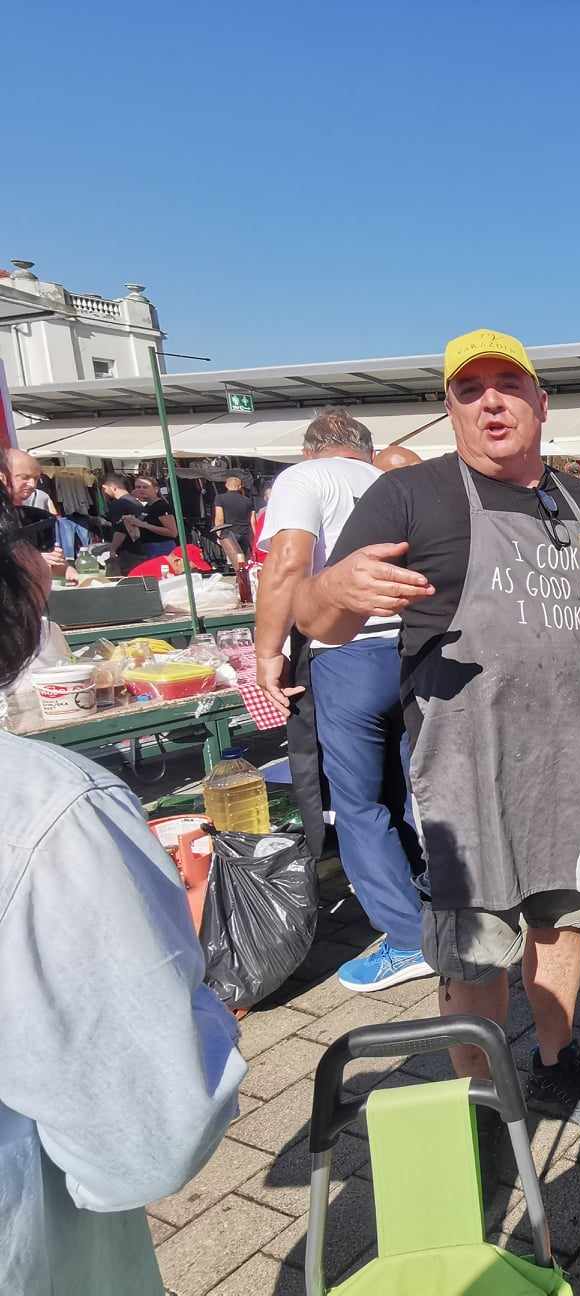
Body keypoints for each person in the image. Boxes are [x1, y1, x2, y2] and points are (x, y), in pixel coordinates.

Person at [299, 329, 580, 1125]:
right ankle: (483, 1098)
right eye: (469, 389)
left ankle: (557, 1062)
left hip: (570, 757)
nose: (491, 402)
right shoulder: (412, 496)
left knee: (560, 921)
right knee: (477, 945)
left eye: (508, 385)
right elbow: (321, 623)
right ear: (449, 409)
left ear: (540, 403)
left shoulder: (577, 499)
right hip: (468, 763)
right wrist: (336, 587)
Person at [0, 496, 246, 1296]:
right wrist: (197, 1002)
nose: (47, 555)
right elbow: (147, 1137)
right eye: (28, 535)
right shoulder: (52, 811)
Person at [256, 407, 431, 995]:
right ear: (365, 446)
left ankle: (408, 937)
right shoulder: (392, 482)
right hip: (407, 650)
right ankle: (430, 899)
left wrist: (267, 652)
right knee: (407, 785)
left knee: (358, 804)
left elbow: (287, 564)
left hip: (345, 650)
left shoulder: (304, 480)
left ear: (313, 449)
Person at [211, 474, 254, 558]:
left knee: (233, 560)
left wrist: (219, 533)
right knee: (244, 559)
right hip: (245, 533)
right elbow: (252, 520)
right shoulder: (248, 500)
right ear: (240, 486)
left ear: (226, 485)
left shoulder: (220, 498)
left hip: (228, 533)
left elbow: (219, 518)